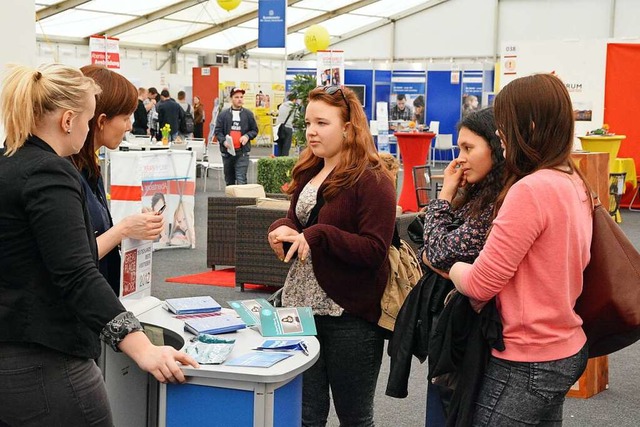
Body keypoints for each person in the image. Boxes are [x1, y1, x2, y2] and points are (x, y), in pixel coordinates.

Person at [0, 63, 198, 427]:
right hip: (47, 362)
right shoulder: (50, 172)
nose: (92, 128)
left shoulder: (10, 163)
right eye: (90, 119)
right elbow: (76, 273)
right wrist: (142, 348)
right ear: (68, 120)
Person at [449, 74, 591, 425]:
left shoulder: (531, 190)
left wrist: (448, 266)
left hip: (528, 356)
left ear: (527, 125)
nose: (499, 134)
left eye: (504, 124)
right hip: (564, 345)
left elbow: (481, 283)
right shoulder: (572, 180)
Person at [267, 85, 397, 426]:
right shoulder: (310, 170)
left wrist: (320, 236)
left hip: (349, 315)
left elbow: (374, 250)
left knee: (354, 417)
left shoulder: (373, 179)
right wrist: (283, 227)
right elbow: (300, 220)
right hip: (299, 310)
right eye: (308, 122)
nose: (311, 131)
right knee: (305, 415)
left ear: (348, 127)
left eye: (322, 123)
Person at [418, 107, 505, 425]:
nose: (460, 158)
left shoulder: (497, 202)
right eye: (459, 148)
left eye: (469, 148)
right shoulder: (479, 194)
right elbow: (426, 250)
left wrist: (443, 196)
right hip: (453, 328)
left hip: (472, 335)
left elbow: (438, 252)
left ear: (496, 149)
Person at [69, 65, 165, 296]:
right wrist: (123, 230)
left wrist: (131, 230)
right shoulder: (63, 175)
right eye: (125, 117)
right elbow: (73, 258)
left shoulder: (90, 168)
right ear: (100, 120)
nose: (130, 126)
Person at [214, 87, 258, 185]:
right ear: (231, 99)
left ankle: (241, 200)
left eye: (241, 97)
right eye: (236, 97)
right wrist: (224, 141)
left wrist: (247, 136)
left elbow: (254, 130)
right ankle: (230, 200)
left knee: (241, 179)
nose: (239, 99)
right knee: (229, 181)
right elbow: (218, 131)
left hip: (242, 153)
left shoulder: (248, 114)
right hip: (227, 153)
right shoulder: (223, 115)